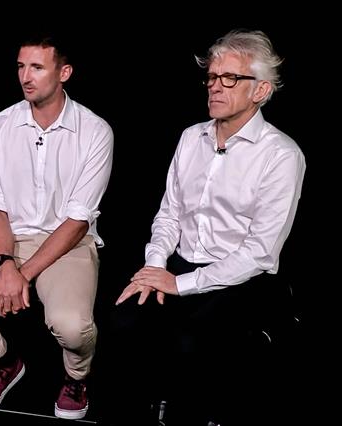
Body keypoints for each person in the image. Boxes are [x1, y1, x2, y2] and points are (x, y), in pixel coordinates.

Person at [110, 29, 305, 424]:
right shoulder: (190, 138)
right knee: (121, 323)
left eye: (230, 78)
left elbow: (258, 253)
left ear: (260, 90)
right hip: (180, 265)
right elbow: (168, 214)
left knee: (191, 344)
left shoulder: (281, 155)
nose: (215, 86)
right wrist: (154, 268)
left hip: (243, 279)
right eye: (212, 77)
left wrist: (180, 285)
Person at [0, 35, 113, 420]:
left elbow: (78, 220)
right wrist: (6, 263)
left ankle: (77, 376)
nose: (25, 77)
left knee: (72, 327)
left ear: (64, 73)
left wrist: (22, 274)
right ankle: (3, 361)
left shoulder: (95, 131)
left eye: (37, 67)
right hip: (7, 240)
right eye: (20, 66)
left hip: (68, 245)